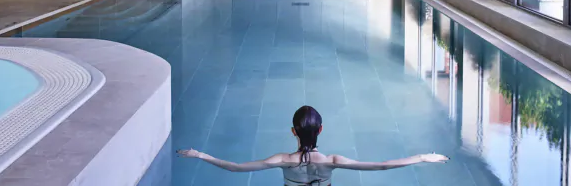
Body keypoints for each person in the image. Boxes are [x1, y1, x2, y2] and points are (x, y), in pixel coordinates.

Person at [177, 105, 449, 185]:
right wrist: (422, 157)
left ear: (293, 132)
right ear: (321, 129)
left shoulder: (282, 160)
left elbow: (235, 168)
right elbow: (382, 166)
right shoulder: (332, 161)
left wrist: (201, 154)